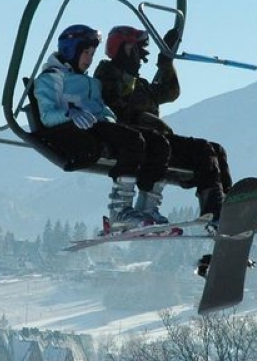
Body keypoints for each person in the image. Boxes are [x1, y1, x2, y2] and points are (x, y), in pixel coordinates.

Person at [32, 24, 170, 225]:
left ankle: (148, 208)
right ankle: (120, 210)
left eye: (92, 53)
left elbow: (103, 109)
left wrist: (109, 119)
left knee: (158, 142)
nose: (89, 59)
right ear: (71, 51)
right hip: (73, 131)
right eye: (86, 53)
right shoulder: (52, 78)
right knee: (132, 140)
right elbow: (47, 116)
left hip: (98, 126)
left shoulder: (91, 83)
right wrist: (70, 113)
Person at [94, 25, 232, 224]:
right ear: (126, 49)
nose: (142, 59)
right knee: (198, 151)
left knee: (214, 150)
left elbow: (170, 92)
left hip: (157, 139)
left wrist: (166, 63)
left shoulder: (139, 84)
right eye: (138, 52)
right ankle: (215, 211)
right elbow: (117, 108)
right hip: (138, 141)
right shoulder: (107, 76)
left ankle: (224, 206)